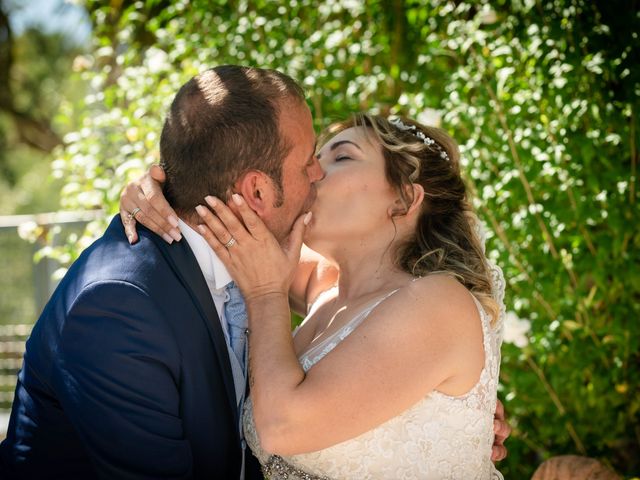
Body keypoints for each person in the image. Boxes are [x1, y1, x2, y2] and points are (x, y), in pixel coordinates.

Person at [124, 113, 509, 479]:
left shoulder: (438, 305)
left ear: (404, 200)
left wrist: (265, 293)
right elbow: (215, 222)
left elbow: (283, 427)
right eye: (313, 159)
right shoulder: (327, 288)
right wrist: (156, 189)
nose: (312, 172)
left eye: (341, 156)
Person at [0, 65, 322, 479]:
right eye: (309, 160)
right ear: (256, 191)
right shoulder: (120, 306)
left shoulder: (258, 259)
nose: (320, 172)